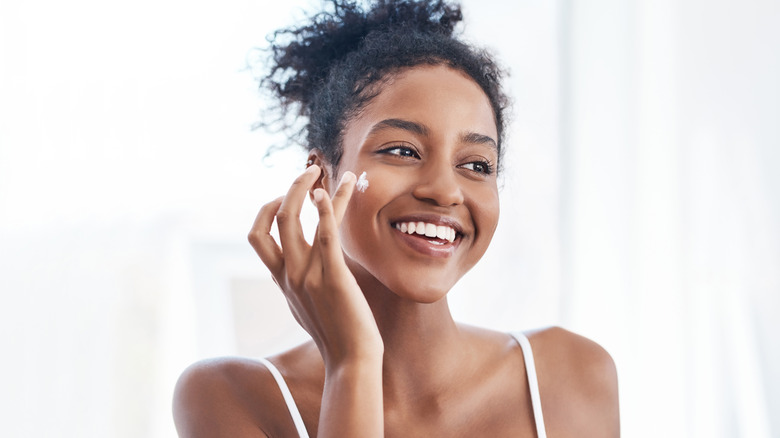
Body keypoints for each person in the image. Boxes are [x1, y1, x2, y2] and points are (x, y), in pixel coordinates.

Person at [173, 0, 619, 436]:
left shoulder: (571, 375)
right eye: (403, 151)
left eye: (476, 164)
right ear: (321, 177)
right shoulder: (228, 397)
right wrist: (353, 364)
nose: (445, 190)